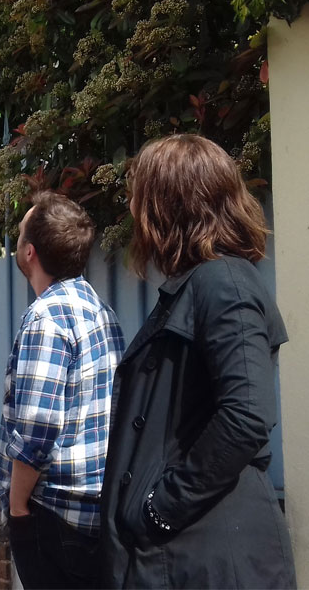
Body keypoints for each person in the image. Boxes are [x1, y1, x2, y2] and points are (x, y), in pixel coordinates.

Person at [100, 134, 296, 588]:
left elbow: (248, 414)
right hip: (187, 552)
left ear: (170, 203)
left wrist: (160, 509)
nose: (132, 207)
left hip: (209, 555)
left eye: (140, 194)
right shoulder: (199, 284)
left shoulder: (223, 282)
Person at [0, 192, 126, 589]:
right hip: (97, 515)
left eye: (19, 235)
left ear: (30, 252)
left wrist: (17, 508)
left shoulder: (45, 317)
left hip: (53, 516)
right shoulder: (104, 312)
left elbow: (37, 428)